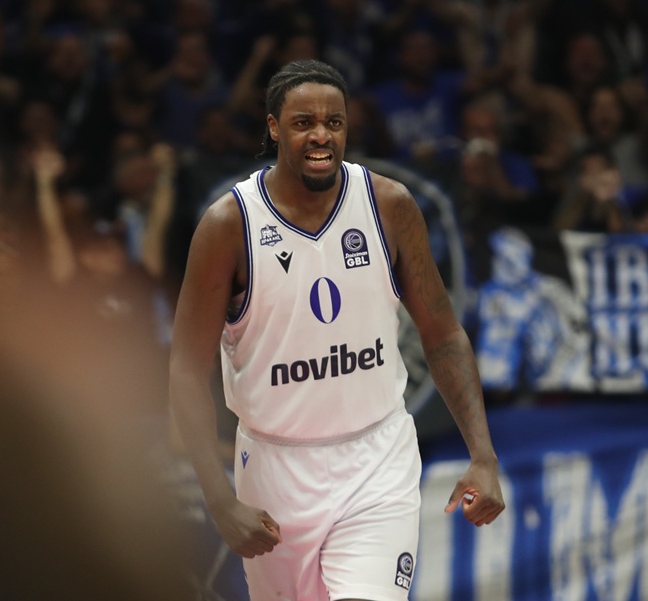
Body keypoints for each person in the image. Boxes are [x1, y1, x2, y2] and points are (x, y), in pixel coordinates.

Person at [168, 59, 504, 600]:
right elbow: (186, 369)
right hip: (273, 469)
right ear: (274, 127)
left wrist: (483, 456)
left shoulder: (389, 206)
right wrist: (219, 499)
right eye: (303, 122)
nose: (321, 135)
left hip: (377, 460)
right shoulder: (229, 226)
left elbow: (442, 334)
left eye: (334, 122)